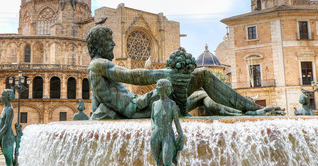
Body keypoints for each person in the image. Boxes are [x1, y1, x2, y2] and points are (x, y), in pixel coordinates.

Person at [86, 26, 285, 120]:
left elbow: (100, 103)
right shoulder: (98, 65)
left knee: (200, 96)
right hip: (140, 108)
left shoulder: (97, 68)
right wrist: (168, 74)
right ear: (98, 44)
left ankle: (242, 113)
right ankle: (251, 109)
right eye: (108, 41)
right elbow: (131, 76)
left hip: (142, 104)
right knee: (203, 75)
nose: (113, 43)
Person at [150, 79, 184, 166]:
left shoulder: (172, 104)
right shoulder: (154, 104)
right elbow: (152, 118)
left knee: (167, 162)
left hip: (167, 135)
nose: (156, 88)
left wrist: (180, 134)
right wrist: (153, 126)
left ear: (165, 89)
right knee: (159, 163)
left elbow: (176, 121)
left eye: (159, 86)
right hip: (155, 135)